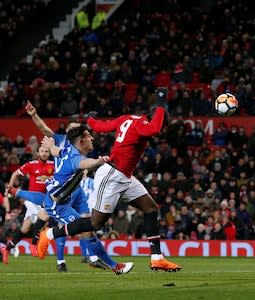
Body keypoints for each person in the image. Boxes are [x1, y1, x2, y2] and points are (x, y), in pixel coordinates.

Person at [39, 89, 182, 272]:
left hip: (125, 176)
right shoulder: (143, 125)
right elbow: (154, 128)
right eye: (162, 125)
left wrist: (90, 119)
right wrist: (162, 103)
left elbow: (102, 127)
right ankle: (49, 234)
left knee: (150, 208)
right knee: (94, 224)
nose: (160, 130)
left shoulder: (127, 119)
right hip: (112, 176)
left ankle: (157, 258)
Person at [40, 124, 133, 275]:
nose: (92, 138)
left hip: (63, 202)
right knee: (89, 227)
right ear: (81, 141)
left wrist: (51, 146)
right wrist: (98, 161)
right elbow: (83, 164)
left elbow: (57, 152)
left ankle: (112, 265)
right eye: (89, 135)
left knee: (89, 230)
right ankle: (49, 235)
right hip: (56, 205)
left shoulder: (68, 150)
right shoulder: (76, 158)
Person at [24, 100, 101, 270]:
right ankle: (60, 260)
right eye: (73, 128)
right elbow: (44, 130)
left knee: (87, 223)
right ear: (67, 131)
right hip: (62, 189)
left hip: (77, 189)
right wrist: (34, 115)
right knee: (63, 224)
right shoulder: (59, 140)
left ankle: (93, 257)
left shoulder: (81, 145)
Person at [0, 146, 53, 264]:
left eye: (46, 151)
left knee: (24, 228)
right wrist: (10, 187)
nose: (44, 153)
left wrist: (48, 177)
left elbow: (58, 179)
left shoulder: (53, 165)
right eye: (42, 151)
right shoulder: (31, 164)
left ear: (49, 153)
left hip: (43, 200)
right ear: (38, 153)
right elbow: (15, 173)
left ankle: (7, 249)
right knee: (44, 217)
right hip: (30, 199)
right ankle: (34, 244)